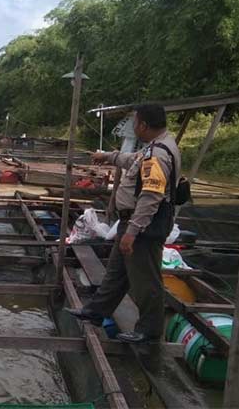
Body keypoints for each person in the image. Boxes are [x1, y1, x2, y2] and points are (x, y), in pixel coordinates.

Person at [65, 104, 181, 343]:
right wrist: (108, 157)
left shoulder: (157, 155)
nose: (133, 127)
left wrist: (133, 232)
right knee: (117, 273)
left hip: (143, 227)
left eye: (135, 122)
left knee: (145, 279)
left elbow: (151, 196)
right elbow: (132, 160)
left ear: (143, 125)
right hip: (131, 223)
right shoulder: (154, 148)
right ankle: (96, 312)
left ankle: (149, 330)